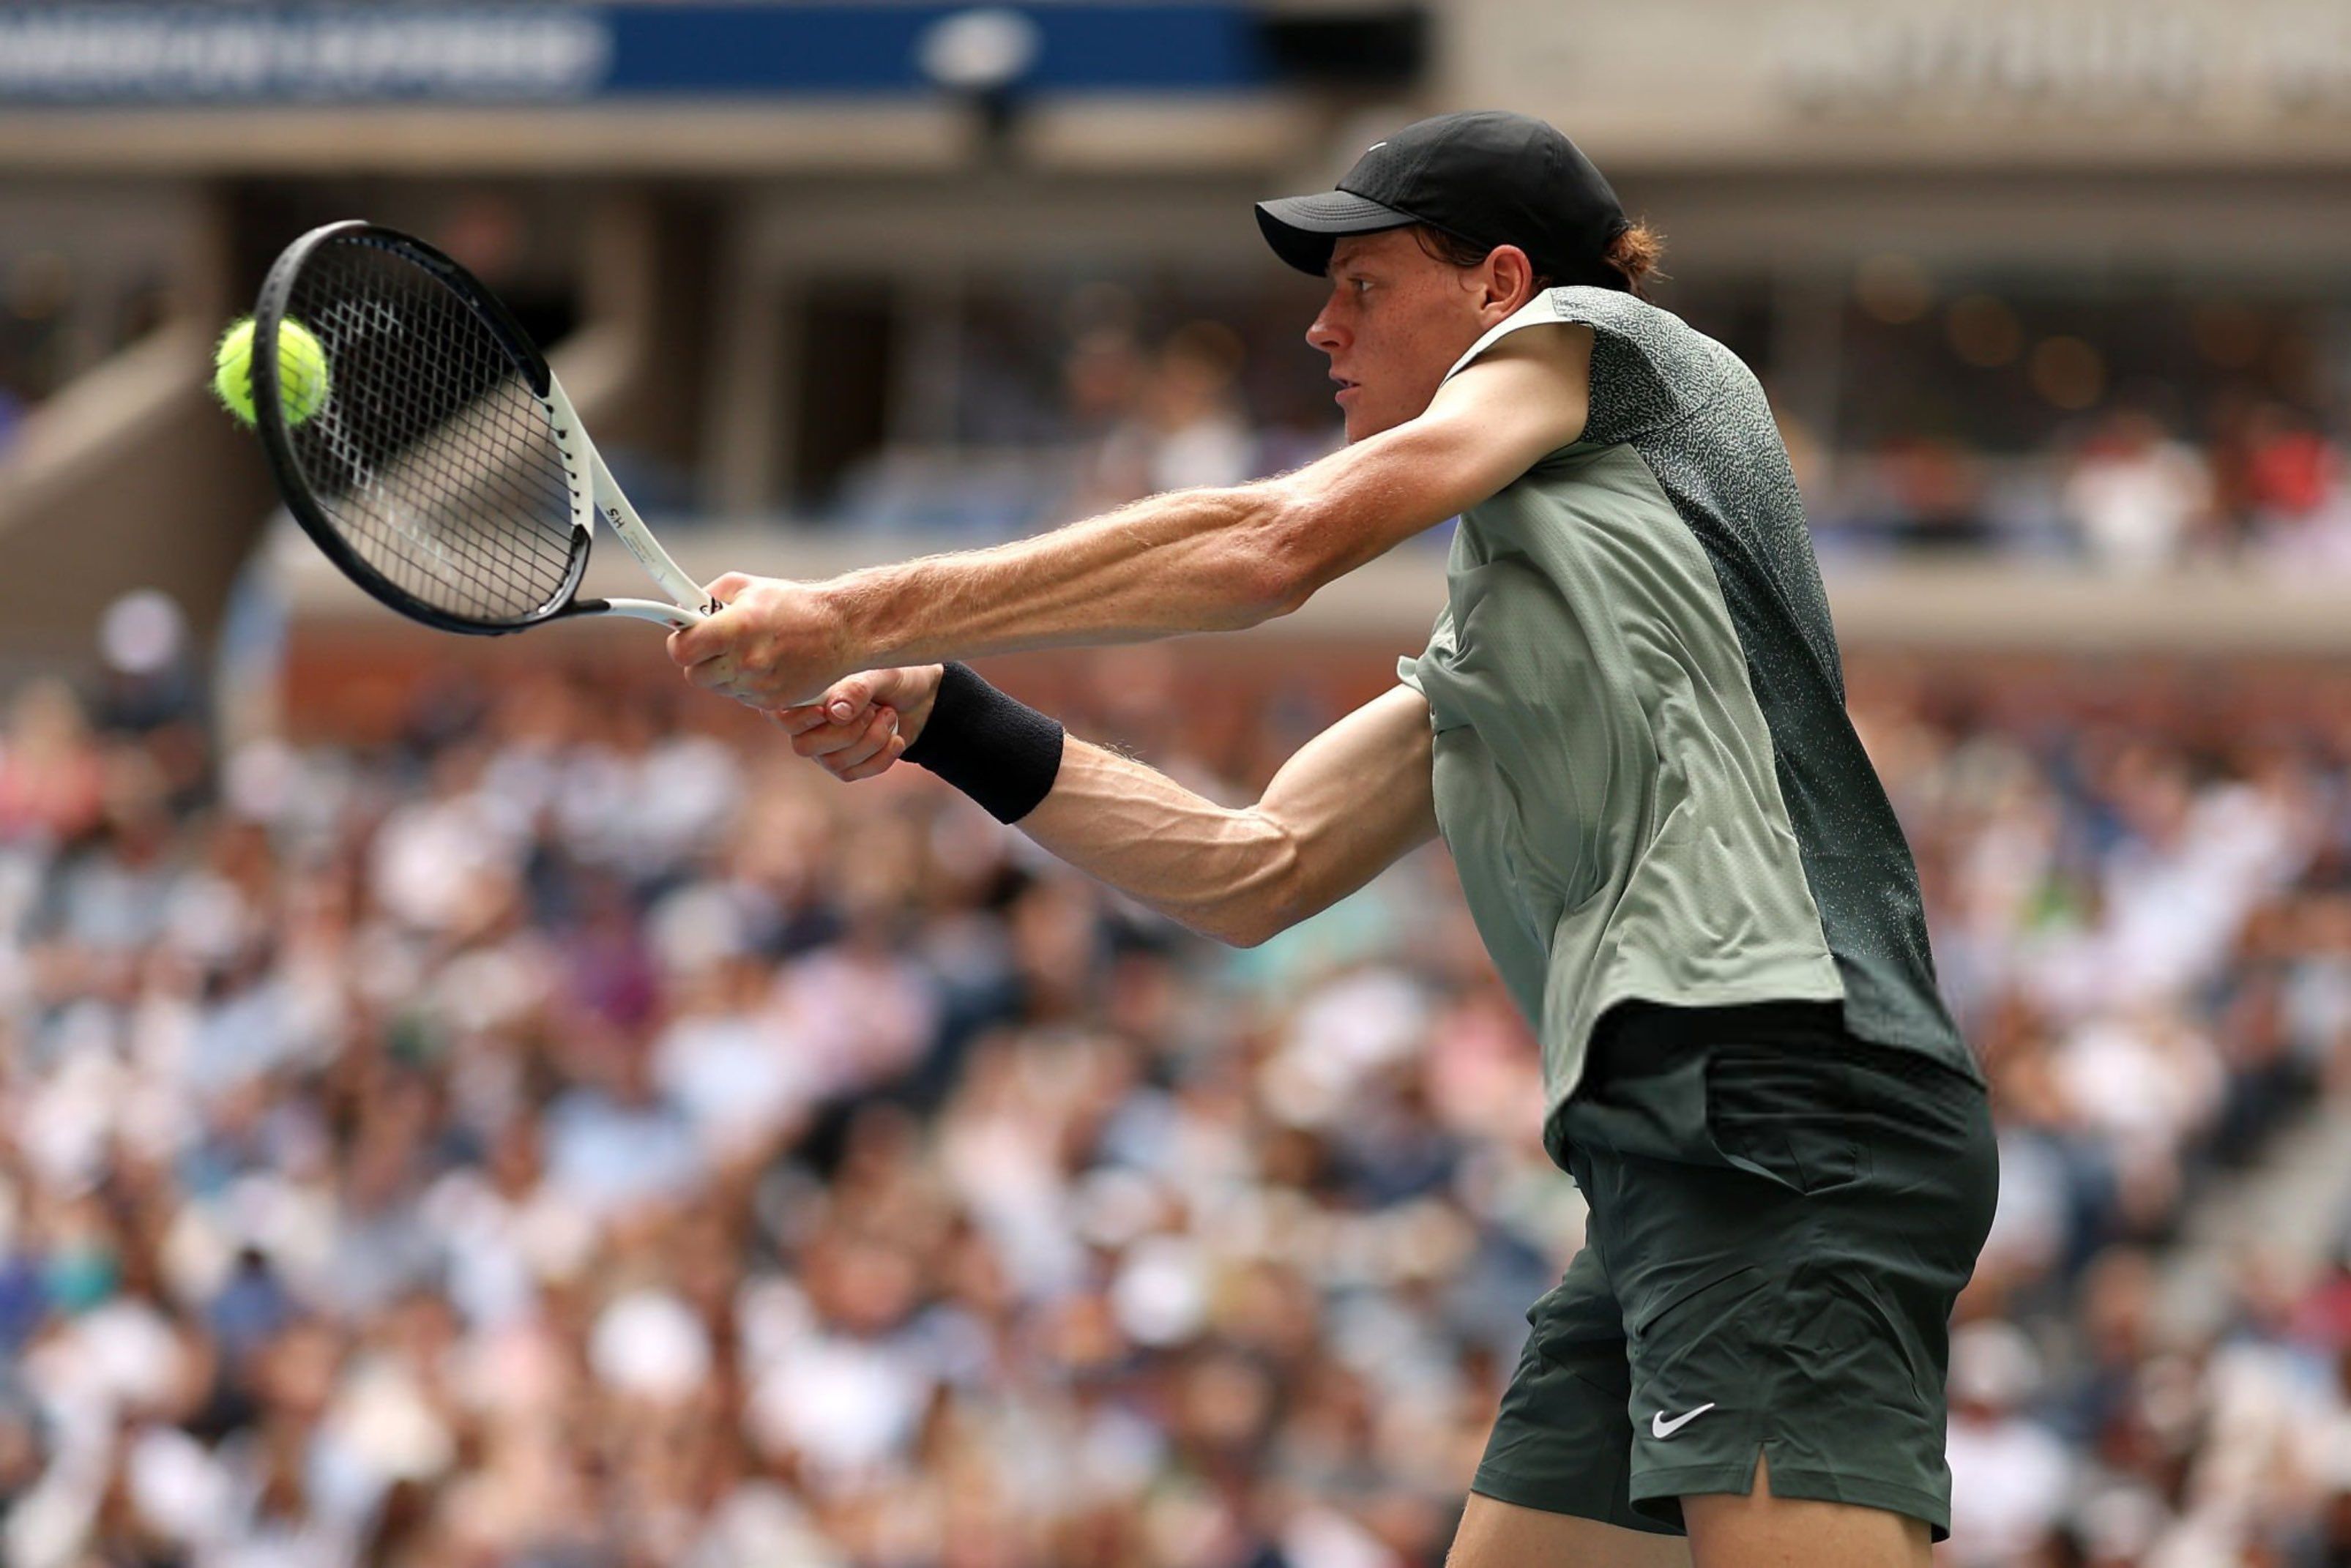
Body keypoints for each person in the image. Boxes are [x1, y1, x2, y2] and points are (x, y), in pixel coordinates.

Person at [667, 110, 1997, 1568]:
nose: (1320, 328)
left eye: (1363, 283)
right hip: (1681, 1137)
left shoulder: (1599, 344)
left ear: (1498, 287)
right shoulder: (1534, 618)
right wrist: (945, 720)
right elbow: (1258, 866)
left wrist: (855, 612)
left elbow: (1268, 547)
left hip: (1779, 1093)